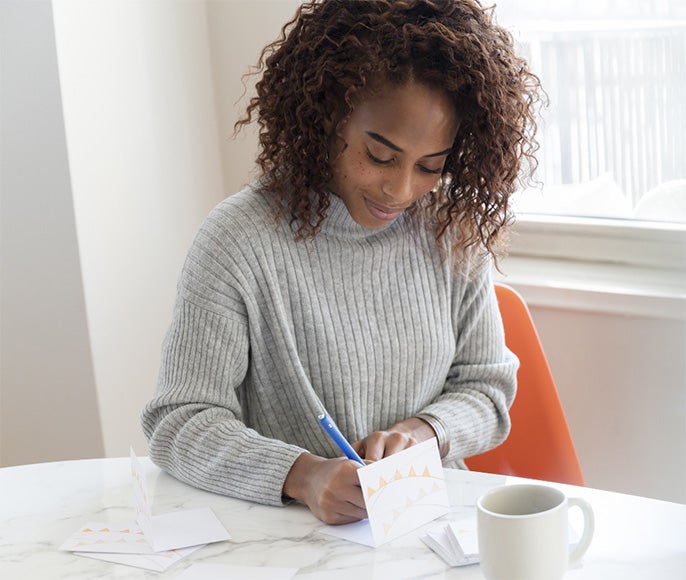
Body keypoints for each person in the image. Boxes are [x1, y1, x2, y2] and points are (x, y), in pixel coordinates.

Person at [141, 0, 541, 525]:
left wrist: (424, 433)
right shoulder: (238, 241)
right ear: (328, 115)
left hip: (433, 533)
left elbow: (487, 392)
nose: (400, 191)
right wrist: (303, 475)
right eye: (379, 156)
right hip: (294, 543)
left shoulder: (449, 232)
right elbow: (178, 422)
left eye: (430, 167)